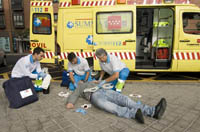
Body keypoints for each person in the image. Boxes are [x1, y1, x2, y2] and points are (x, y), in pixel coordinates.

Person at [66, 82, 167, 124]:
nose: (80, 82)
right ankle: (133, 114)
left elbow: (104, 83)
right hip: (94, 95)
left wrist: (99, 82)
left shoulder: (91, 81)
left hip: (105, 90)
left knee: (125, 100)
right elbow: (73, 95)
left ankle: (153, 111)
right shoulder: (79, 88)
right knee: (110, 106)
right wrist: (70, 103)